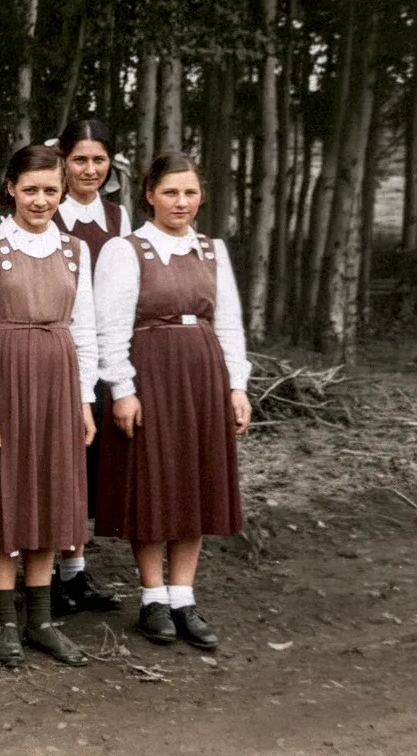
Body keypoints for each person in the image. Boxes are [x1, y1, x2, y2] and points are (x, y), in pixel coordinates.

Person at [93, 151, 251, 650]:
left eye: (189, 192)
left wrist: (237, 386)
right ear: (149, 195)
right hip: (151, 373)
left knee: (196, 481)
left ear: (201, 195)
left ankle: (183, 595)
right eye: (170, 193)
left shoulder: (212, 249)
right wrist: (122, 388)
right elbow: (109, 326)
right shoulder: (127, 250)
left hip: (204, 373)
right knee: (154, 482)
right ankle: (152, 597)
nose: (181, 202)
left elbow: (227, 323)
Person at [0, 144, 97, 668]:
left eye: (51, 191)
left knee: (49, 495)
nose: (40, 200)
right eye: (31, 189)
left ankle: (42, 622)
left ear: (62, 194)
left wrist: (85, 400)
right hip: (7, 378)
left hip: (58, 380)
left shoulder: (75, 250)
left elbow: (85, 329)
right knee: (7, 495)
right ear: (10, 188)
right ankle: (6, 625)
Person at [48, 118, 131, 616]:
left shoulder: (119, 219)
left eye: (99, 160)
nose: (89, 169)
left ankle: (75, 572)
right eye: (79, 159)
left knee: (88, 464)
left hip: (102, 353)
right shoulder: (45, 209)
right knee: (58, 464)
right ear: (63, 160)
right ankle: (48, 574)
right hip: (57, 353)